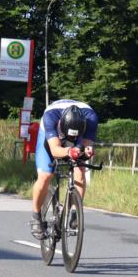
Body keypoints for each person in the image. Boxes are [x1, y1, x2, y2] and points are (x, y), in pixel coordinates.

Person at [29, 100, 99, 239]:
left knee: (80, 170)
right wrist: (69, 151)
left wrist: (87, 151)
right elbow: (55, 150)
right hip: (50, 136)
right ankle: (36, 217)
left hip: (79, 127)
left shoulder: (91, 119)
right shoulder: (50, 118)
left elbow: (86, 147)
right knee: (45, 176)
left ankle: (74, 213)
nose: (72, 138)